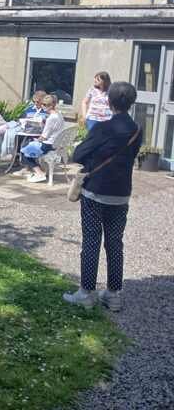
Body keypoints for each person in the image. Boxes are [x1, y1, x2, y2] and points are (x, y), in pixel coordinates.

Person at [64, 82, 142, 311]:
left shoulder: (102, 127)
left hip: (95, 192)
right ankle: (113, 294)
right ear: (131, 102)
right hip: (121, 194)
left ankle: (86, 292)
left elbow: (79, 154)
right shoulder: (137, 129)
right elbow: (130, 155)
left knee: (91, 241)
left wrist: (91, 163)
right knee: (115, 243)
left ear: (109, 101)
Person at [16, 95, 66, 183]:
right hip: (56, 143)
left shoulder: (51, 118)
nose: (42, 106)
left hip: (49, 144)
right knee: (30, 145)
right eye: (42, 104)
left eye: (44, 104)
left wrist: (36, 140)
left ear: (51, 106)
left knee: (24, 150)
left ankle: (39, 172)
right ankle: (39, 170)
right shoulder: (59, 115)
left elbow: (44, 137)